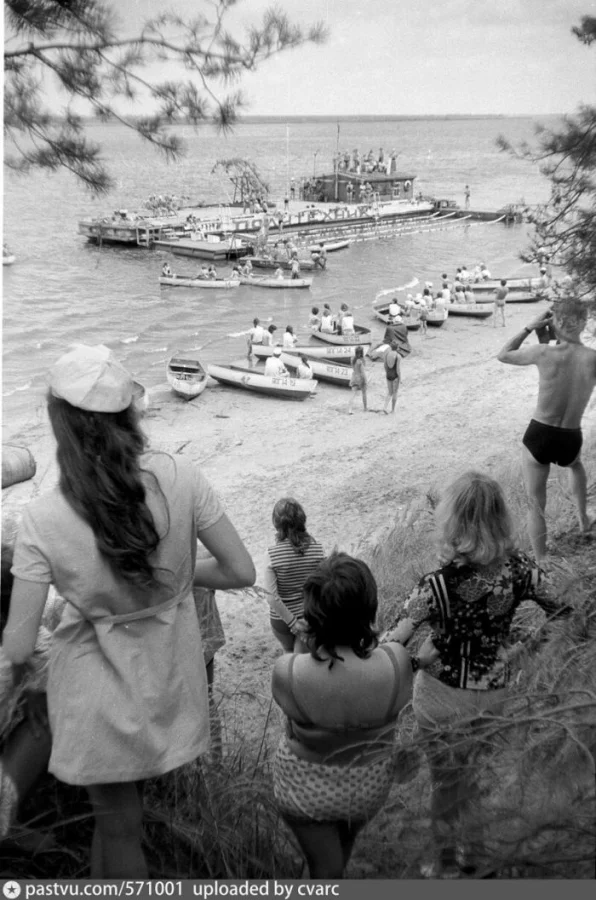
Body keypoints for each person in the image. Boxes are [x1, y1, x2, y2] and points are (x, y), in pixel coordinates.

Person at [2, 345, 255, 877]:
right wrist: (174, 578)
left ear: (60, 423)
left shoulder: (44, 518)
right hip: (167, 677)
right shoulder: (181, 475)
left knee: (120, 828)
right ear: (130, 412)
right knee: (114, 822)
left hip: (97, 695)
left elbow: (20, 647)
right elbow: (240, 571)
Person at [384, 471, 571, 878]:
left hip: (441, 697)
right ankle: (477, 857)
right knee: (476, 777)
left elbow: (390, 646)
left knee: (445, 782)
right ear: (499, 518)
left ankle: (445, 864)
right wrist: (525, 649)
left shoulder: (435, 587)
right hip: (492, 695)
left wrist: (416, 662)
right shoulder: (520, 570)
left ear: (452, 522)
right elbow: (567, 610)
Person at [272, 552, 414, 878]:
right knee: (340, 852)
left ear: (311, 615)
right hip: (368, 786)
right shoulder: (396, 662)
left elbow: (293, 715)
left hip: (304, 789)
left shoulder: (286, 672)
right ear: (369, 609)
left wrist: (305, 643)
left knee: (325, 867)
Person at [497, 297, 596, 563]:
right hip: (570, 436)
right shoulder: (592, 358)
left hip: (540, 434)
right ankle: (583, 517)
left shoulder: (543, 353)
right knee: (575, 465)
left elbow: (504, 354)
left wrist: (529, 328)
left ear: (555, 321)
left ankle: (541, 562)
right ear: (583, 322)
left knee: (535, 504)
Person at [263, 498, 325, 653]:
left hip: (282, 620)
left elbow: (271, 597)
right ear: (302, 519)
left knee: (289, 654)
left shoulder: (272, 554)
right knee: (305, 656)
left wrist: (292, 623)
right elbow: (324, 587)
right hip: (310, 616)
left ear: (276, 523)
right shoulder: (318, 549)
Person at [383, 341, 401, 414]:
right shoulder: (398, 356)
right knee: (395, 392)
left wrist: (387, 372)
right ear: (397, 347)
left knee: (389, 392)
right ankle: (393, 410)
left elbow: (385, 365)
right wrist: (399, 377)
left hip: (388, 374)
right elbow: (398, 369)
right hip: (395, 375)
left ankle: (385, 407)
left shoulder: (387, 354)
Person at [348, 346, 368, 414]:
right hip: (361, 378)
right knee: (364, 393)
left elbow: (353, 368)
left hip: (354, 377)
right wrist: (365, 380)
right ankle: (365, 408)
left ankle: (350, 409)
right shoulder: (361, 361)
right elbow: (362, 372)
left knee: (353, 394)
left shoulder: (352, 359)